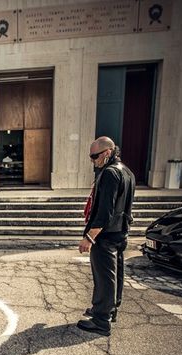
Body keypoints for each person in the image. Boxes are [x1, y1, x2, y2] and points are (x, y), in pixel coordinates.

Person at [77, 136, 135, 336]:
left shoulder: (110, 173)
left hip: (106, 234)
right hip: (120, 232)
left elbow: (104, 211)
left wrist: (90, 237)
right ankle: (109, 309)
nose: (93, 160)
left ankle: (101, 320)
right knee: (115, 274)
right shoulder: (127, 171)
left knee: (104, 277)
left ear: (108, 152)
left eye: (95, 156)